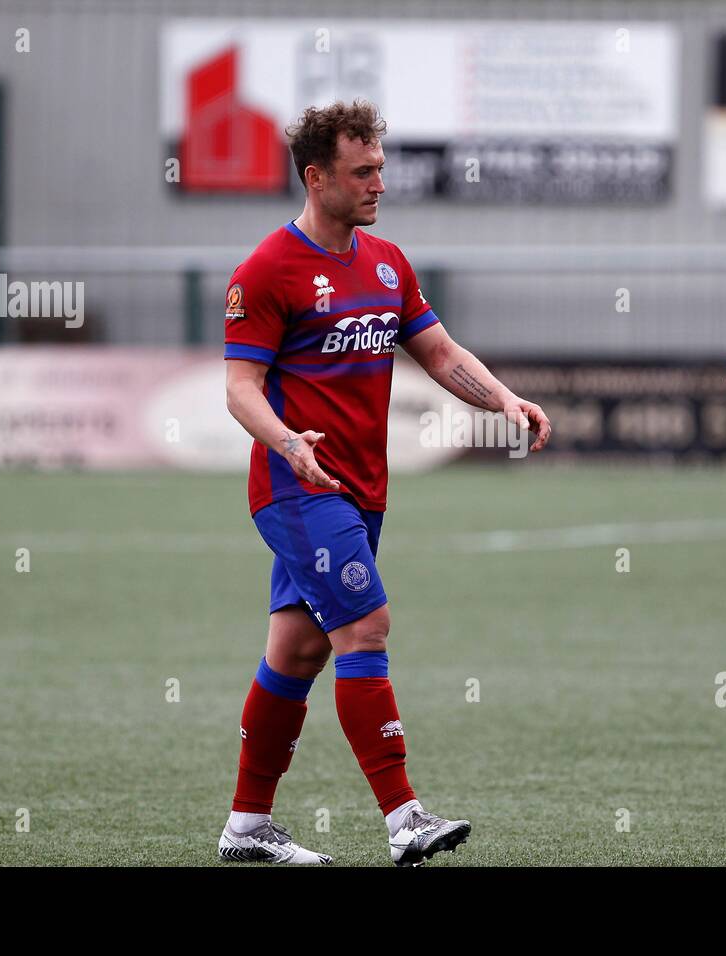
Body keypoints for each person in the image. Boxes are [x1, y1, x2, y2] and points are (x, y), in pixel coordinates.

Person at [218, 100, 551, 866]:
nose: (379, 183)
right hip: (299, 489)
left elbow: (439, 354)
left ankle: (246, 827)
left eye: (380, 168)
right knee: (365, 628)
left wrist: (501, 398)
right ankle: (405, 818)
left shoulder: (387, 263)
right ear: (316, 176)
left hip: (363, 492)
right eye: (362, 171)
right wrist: (286, 441)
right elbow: (239, 387)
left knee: (297, 654)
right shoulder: (267, 270)